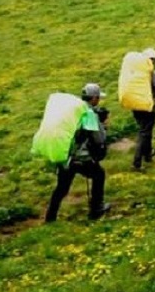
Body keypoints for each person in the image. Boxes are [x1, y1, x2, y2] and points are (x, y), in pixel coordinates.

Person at [45, 83, 110, 222]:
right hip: (81, 158)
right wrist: (103, 127)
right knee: (99, 175)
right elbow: (99, 139)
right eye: (98, 97)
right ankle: (97, 209)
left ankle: (50, 217)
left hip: (65, 156)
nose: (98, 100)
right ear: (93, 98)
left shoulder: (73, 111)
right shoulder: (89, 114)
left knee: (62, 188)